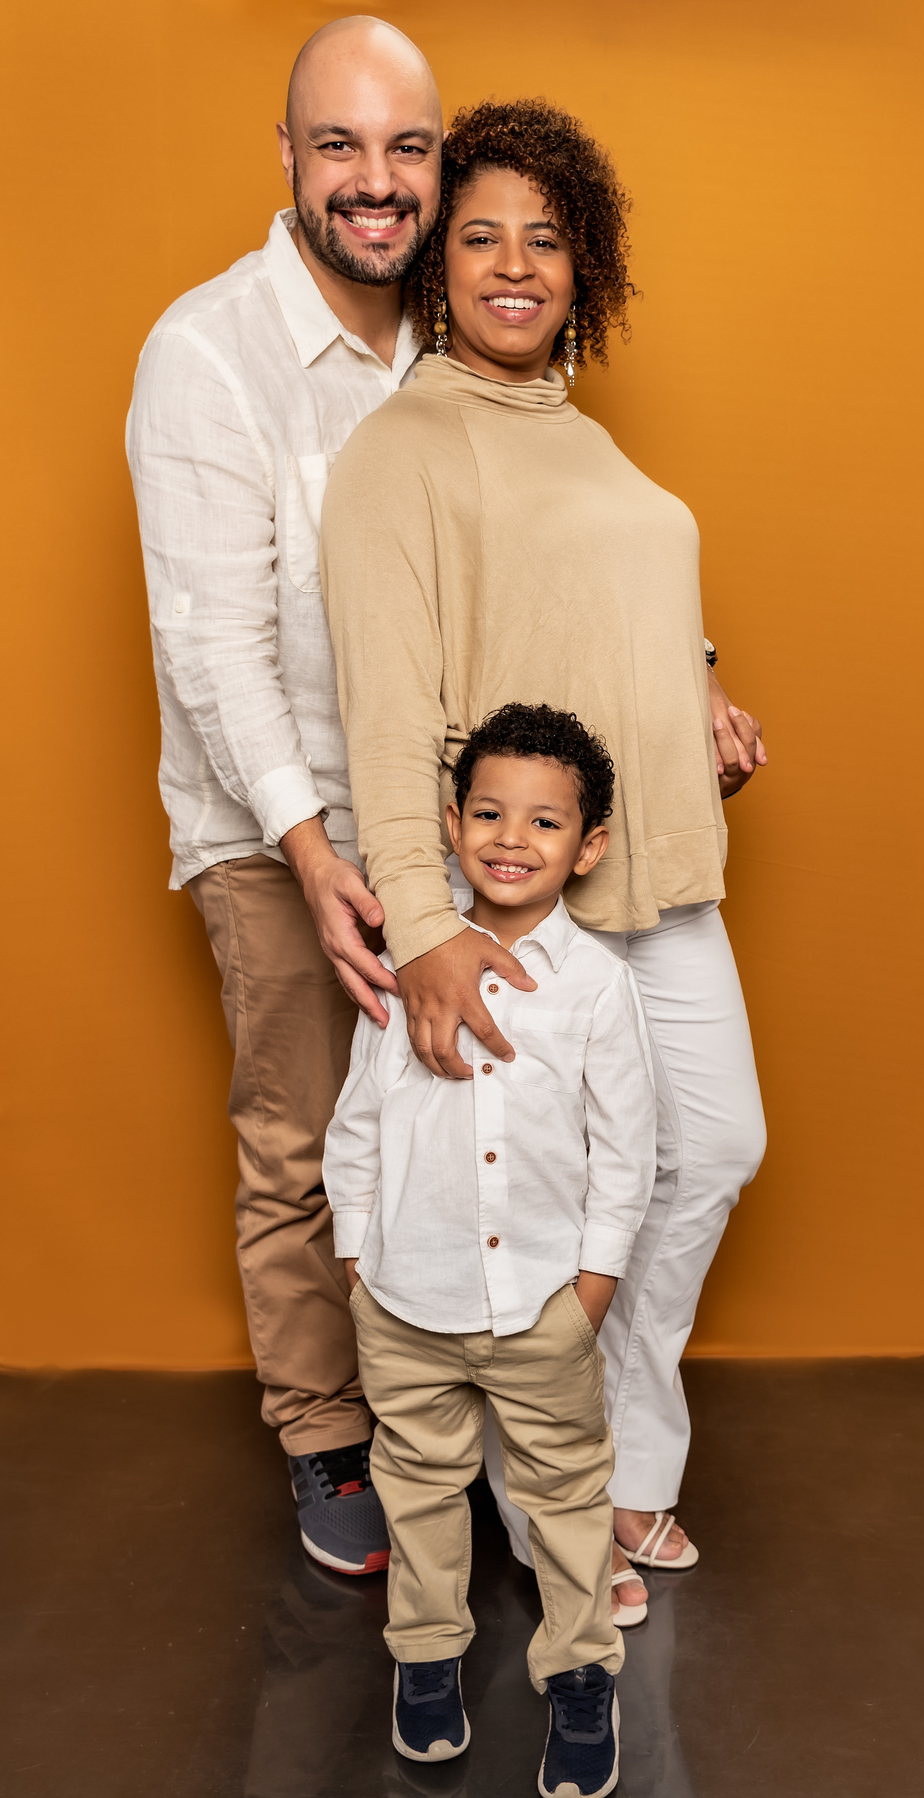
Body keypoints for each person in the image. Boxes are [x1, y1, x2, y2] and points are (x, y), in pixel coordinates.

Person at [321, 99, 768, 1615]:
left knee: (705, 1154)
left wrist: (696, 678)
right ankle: (558, 1498)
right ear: (437, 263)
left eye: (548, 239)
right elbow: (388, 712)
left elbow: (606, 586)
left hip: (655, 863)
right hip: (514, 900)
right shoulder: (400, 450)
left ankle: (619, 1456)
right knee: (544, 1196)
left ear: (587, 266)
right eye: (482, 237)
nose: (516, 265)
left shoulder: (577, 428)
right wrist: (424, 923)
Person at [125, 17, 444, 1573]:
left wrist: (691, 665)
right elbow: (214, 648)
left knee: (464, 1132)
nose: (375, 182)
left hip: (448, 819)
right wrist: (315, 859)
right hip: (274, 823)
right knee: (302, 1139)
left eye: (407, 147)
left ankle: (454, 1421)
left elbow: (559, 535)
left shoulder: (473, 328)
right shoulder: (206, 353)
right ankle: (326, 1432)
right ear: (289, 157)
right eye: (341, 146)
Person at [324, 704, 656, 1798]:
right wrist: (361, 1262)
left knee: (566, 1497)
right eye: (488, 813)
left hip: (543, 1306)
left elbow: (627, 1150)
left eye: (545, 821)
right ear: (452, 823)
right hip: (404, 1303)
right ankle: (425, 1660)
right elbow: (358, 1125)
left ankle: (580, 1674)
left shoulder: (596, 985)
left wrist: (592, 1286)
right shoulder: (403, 965)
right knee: (418, 1487)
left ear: (587, 847)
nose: (512, 838)